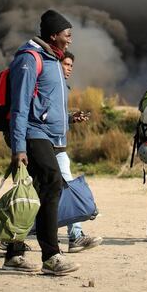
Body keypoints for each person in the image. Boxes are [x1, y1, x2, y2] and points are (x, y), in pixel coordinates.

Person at [4, 10, 81, 275]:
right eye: (67, 35)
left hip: (48, 135)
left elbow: (49, 102)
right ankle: (51, 256)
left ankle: (14, 253)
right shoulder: (29, 59)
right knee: (52, 180)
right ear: (53, 35)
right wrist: (19, 147)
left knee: (35, 192)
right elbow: (20, 106)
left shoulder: (53, 60)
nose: (70, 40)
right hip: (32, 133)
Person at [57, 51, 103, 253]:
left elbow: (54, 117)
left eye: (71, 65)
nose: (69, 68)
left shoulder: (61, 87)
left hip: (57, 147)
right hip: (44, 147)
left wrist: (70, 118)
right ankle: (12, 237)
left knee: (59, 190)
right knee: (61, 189)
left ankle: (75, 235)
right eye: (65, 64)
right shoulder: (46, 85)